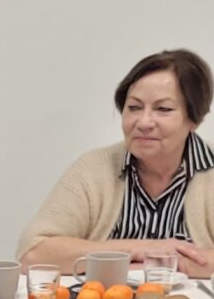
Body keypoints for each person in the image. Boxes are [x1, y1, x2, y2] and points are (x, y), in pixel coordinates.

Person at [18, 49, 214, 277]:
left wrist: (167, 264)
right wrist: (141, 249)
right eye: (134, 107)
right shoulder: (93, 168)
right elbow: (33, 254)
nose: (144, 122)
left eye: (163, 109)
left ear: (194, 119)